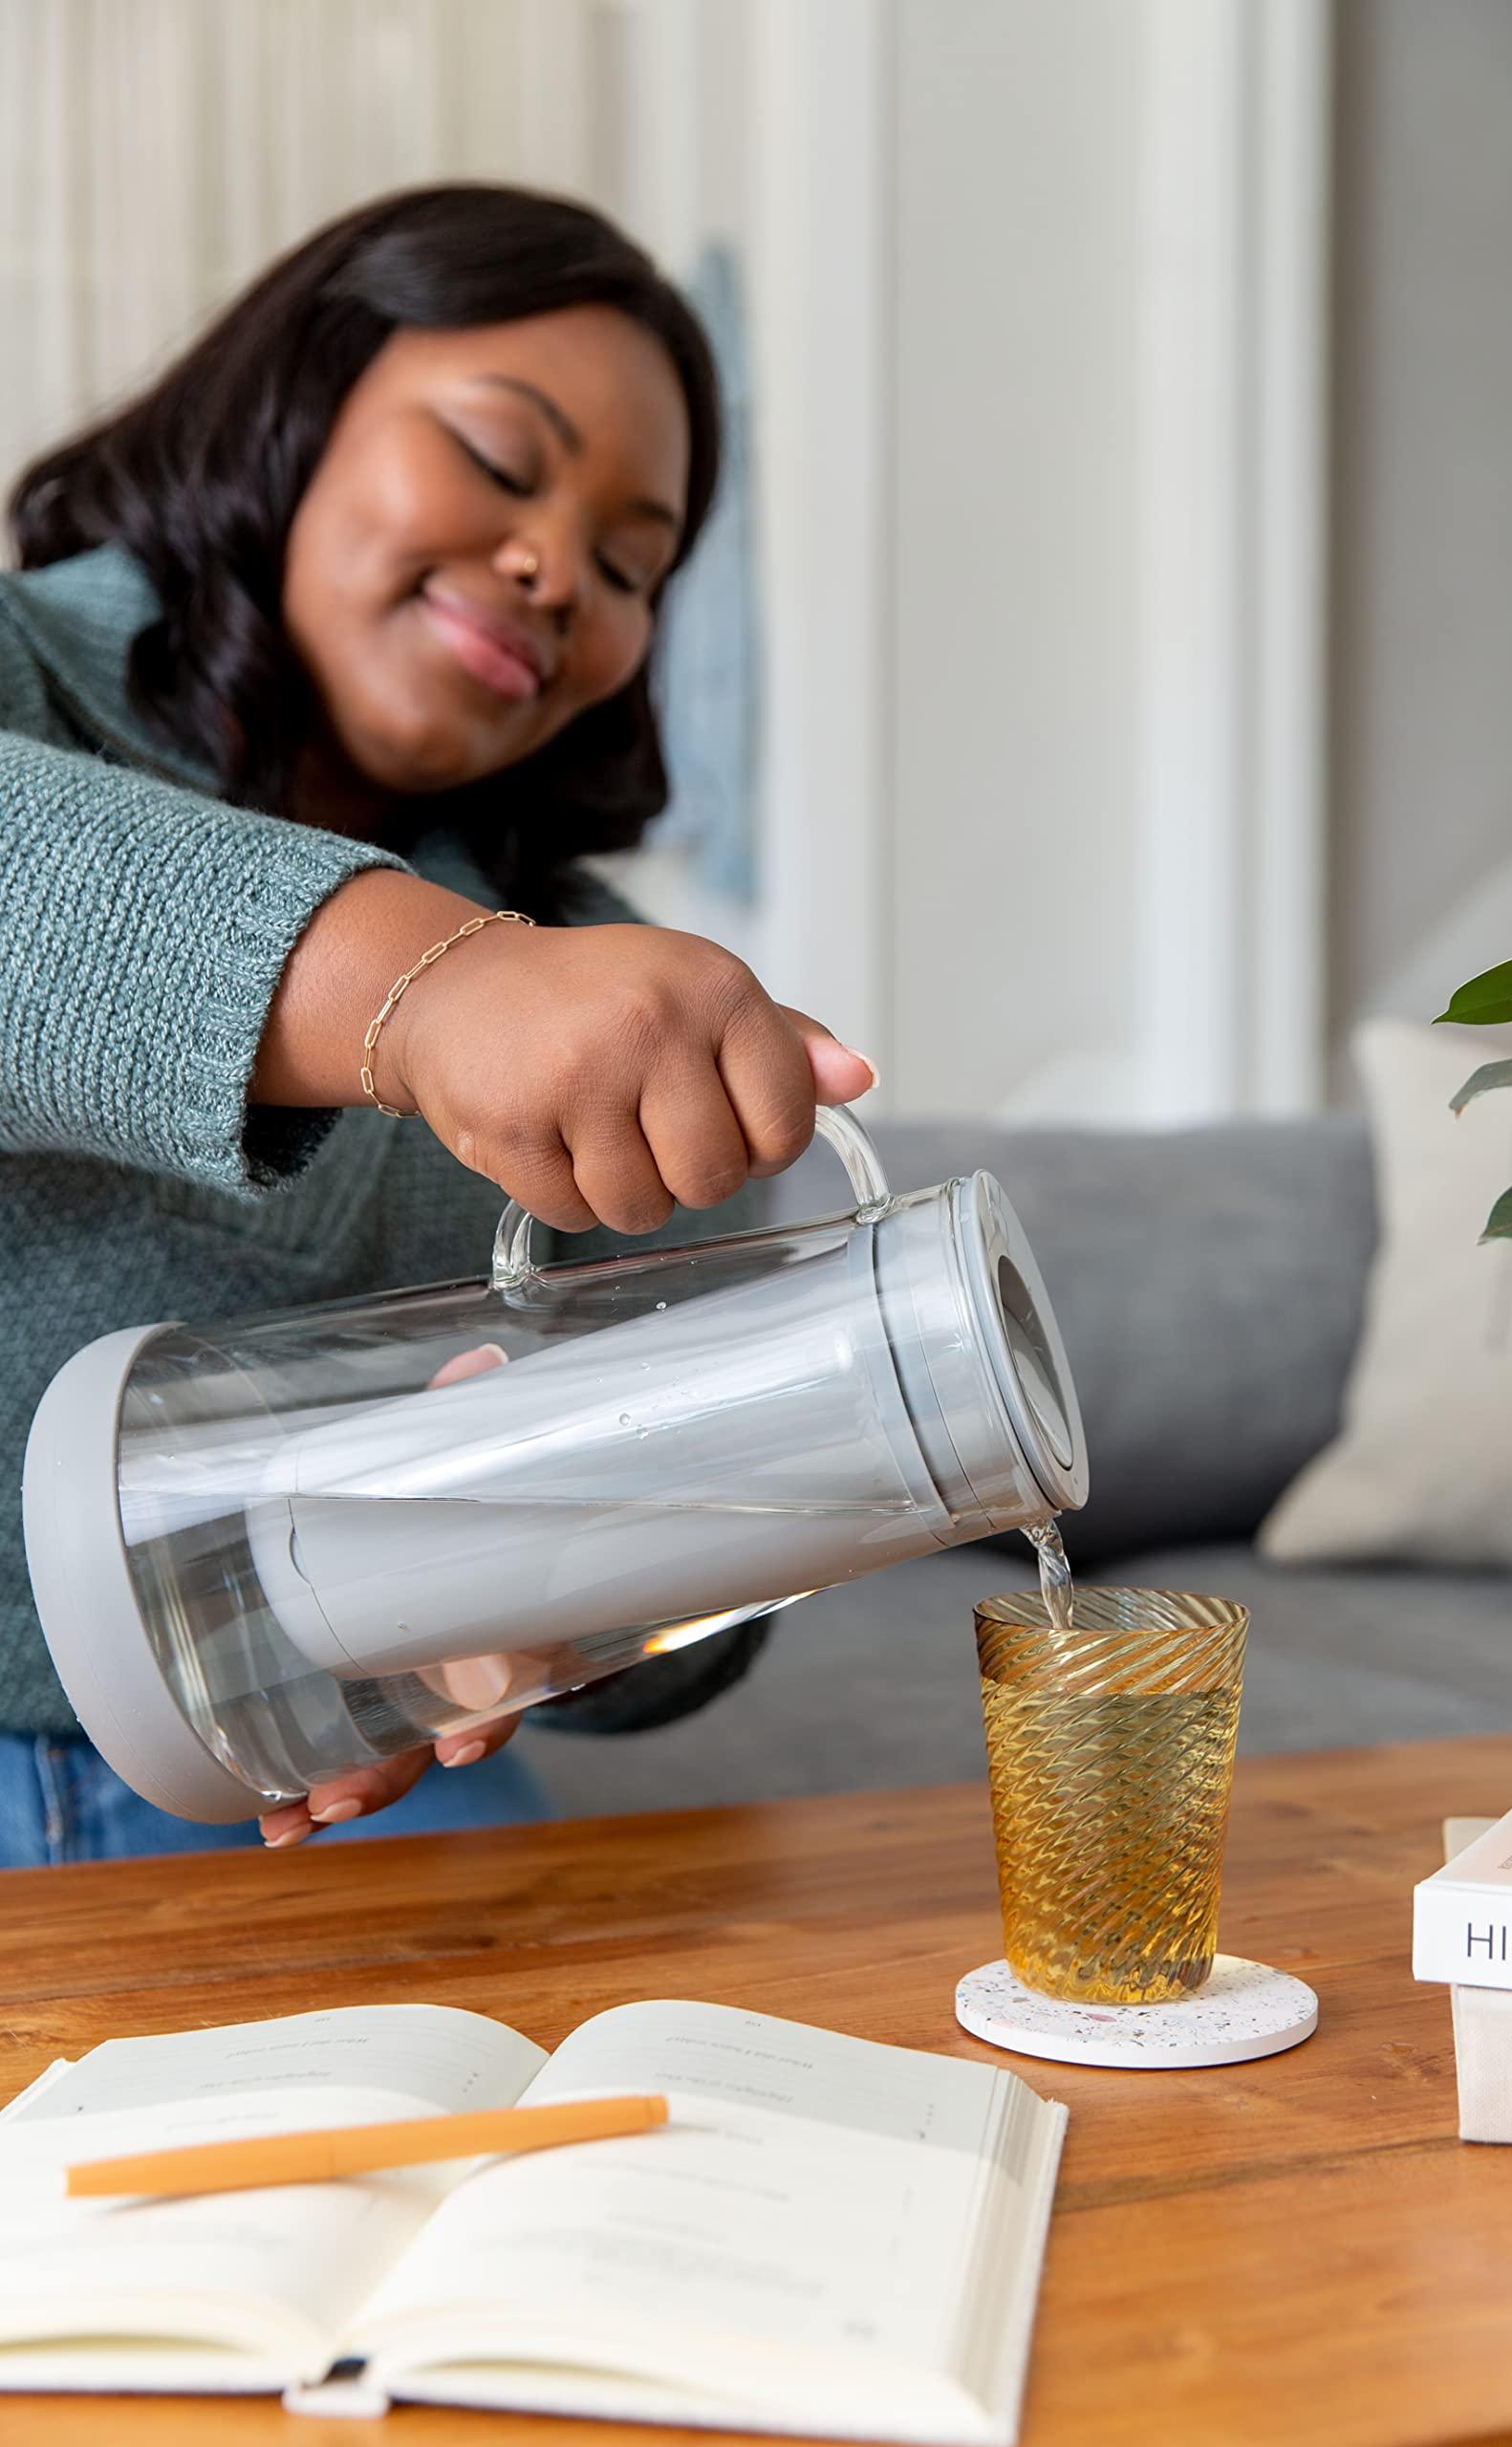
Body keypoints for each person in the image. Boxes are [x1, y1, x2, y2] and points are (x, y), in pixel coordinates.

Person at [0, 184, 874, 1869]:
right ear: (301, 404)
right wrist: (427, 983)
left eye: (632, 565)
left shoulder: (610, 990)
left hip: (307, 1801)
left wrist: (559, 1601)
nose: (557, 568)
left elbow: (708, 1592)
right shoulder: (24, 672)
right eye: (497, 457)